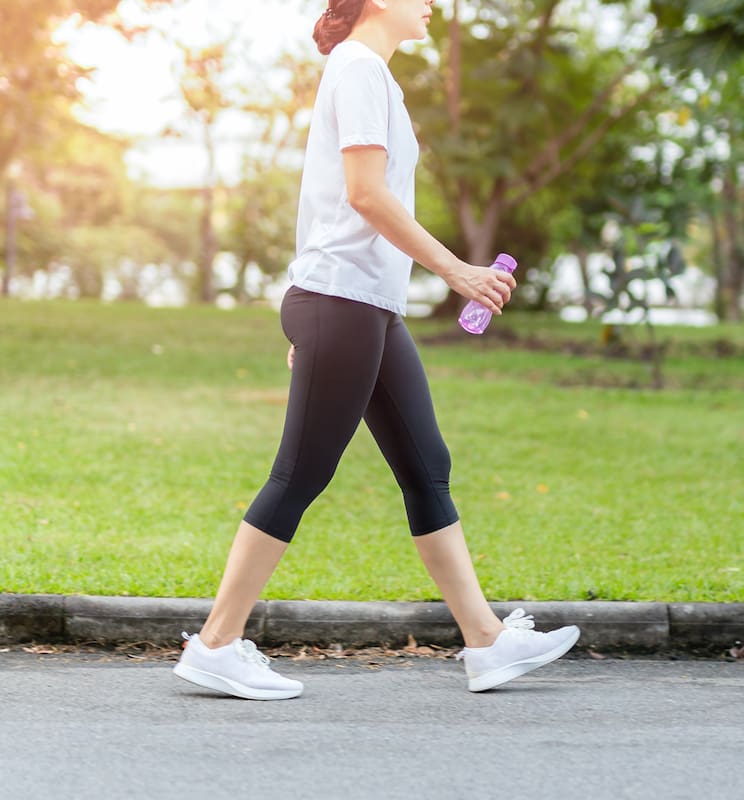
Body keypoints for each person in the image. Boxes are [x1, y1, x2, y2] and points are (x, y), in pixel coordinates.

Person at [172, 0, 580, 700]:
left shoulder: (373, 76)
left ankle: (485, 642)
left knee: (428, 466)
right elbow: (364, 194)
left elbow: (346, 199)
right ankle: (216, 643)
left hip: (364, 309)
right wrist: (457, 272)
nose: (430, 5)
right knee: (299, 475)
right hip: (343, 302)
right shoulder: (358, 67)